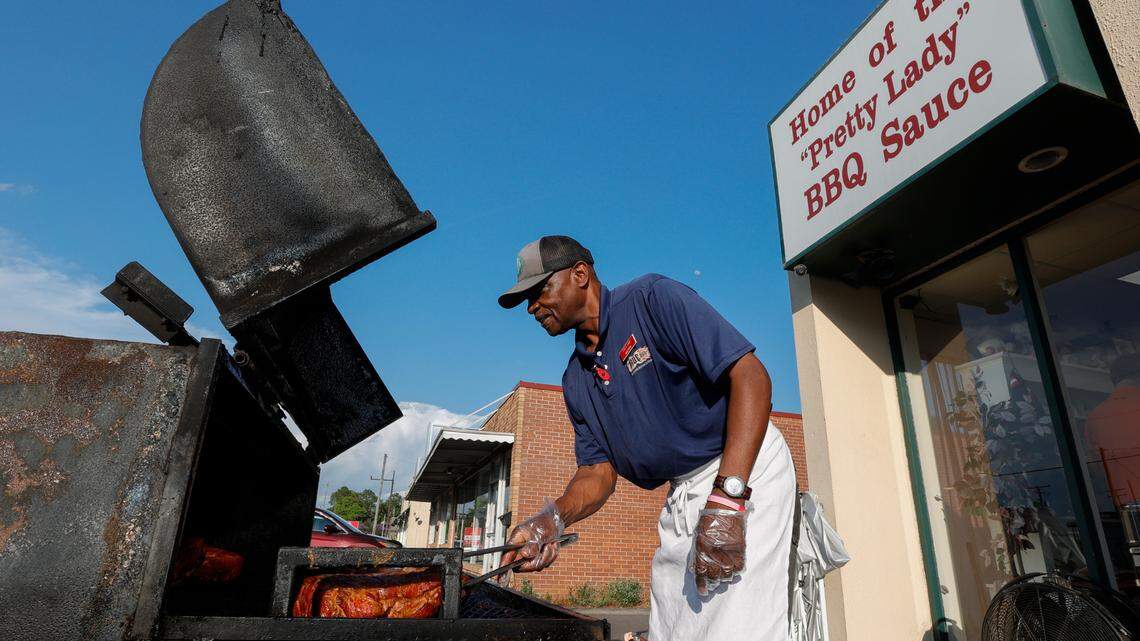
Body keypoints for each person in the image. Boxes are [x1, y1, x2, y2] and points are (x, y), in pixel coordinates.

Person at [496, 235, 796, 641]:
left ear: (580, 274)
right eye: (525, 300)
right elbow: (597, 473)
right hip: (682, 492)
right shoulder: (575, 379)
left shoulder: (652, 300)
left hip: (744, 469)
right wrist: (551, 519)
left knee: (737, 628)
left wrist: (729, 499)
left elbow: (751, 376)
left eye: (539, 290)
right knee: (672, 627)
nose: (532, 307)